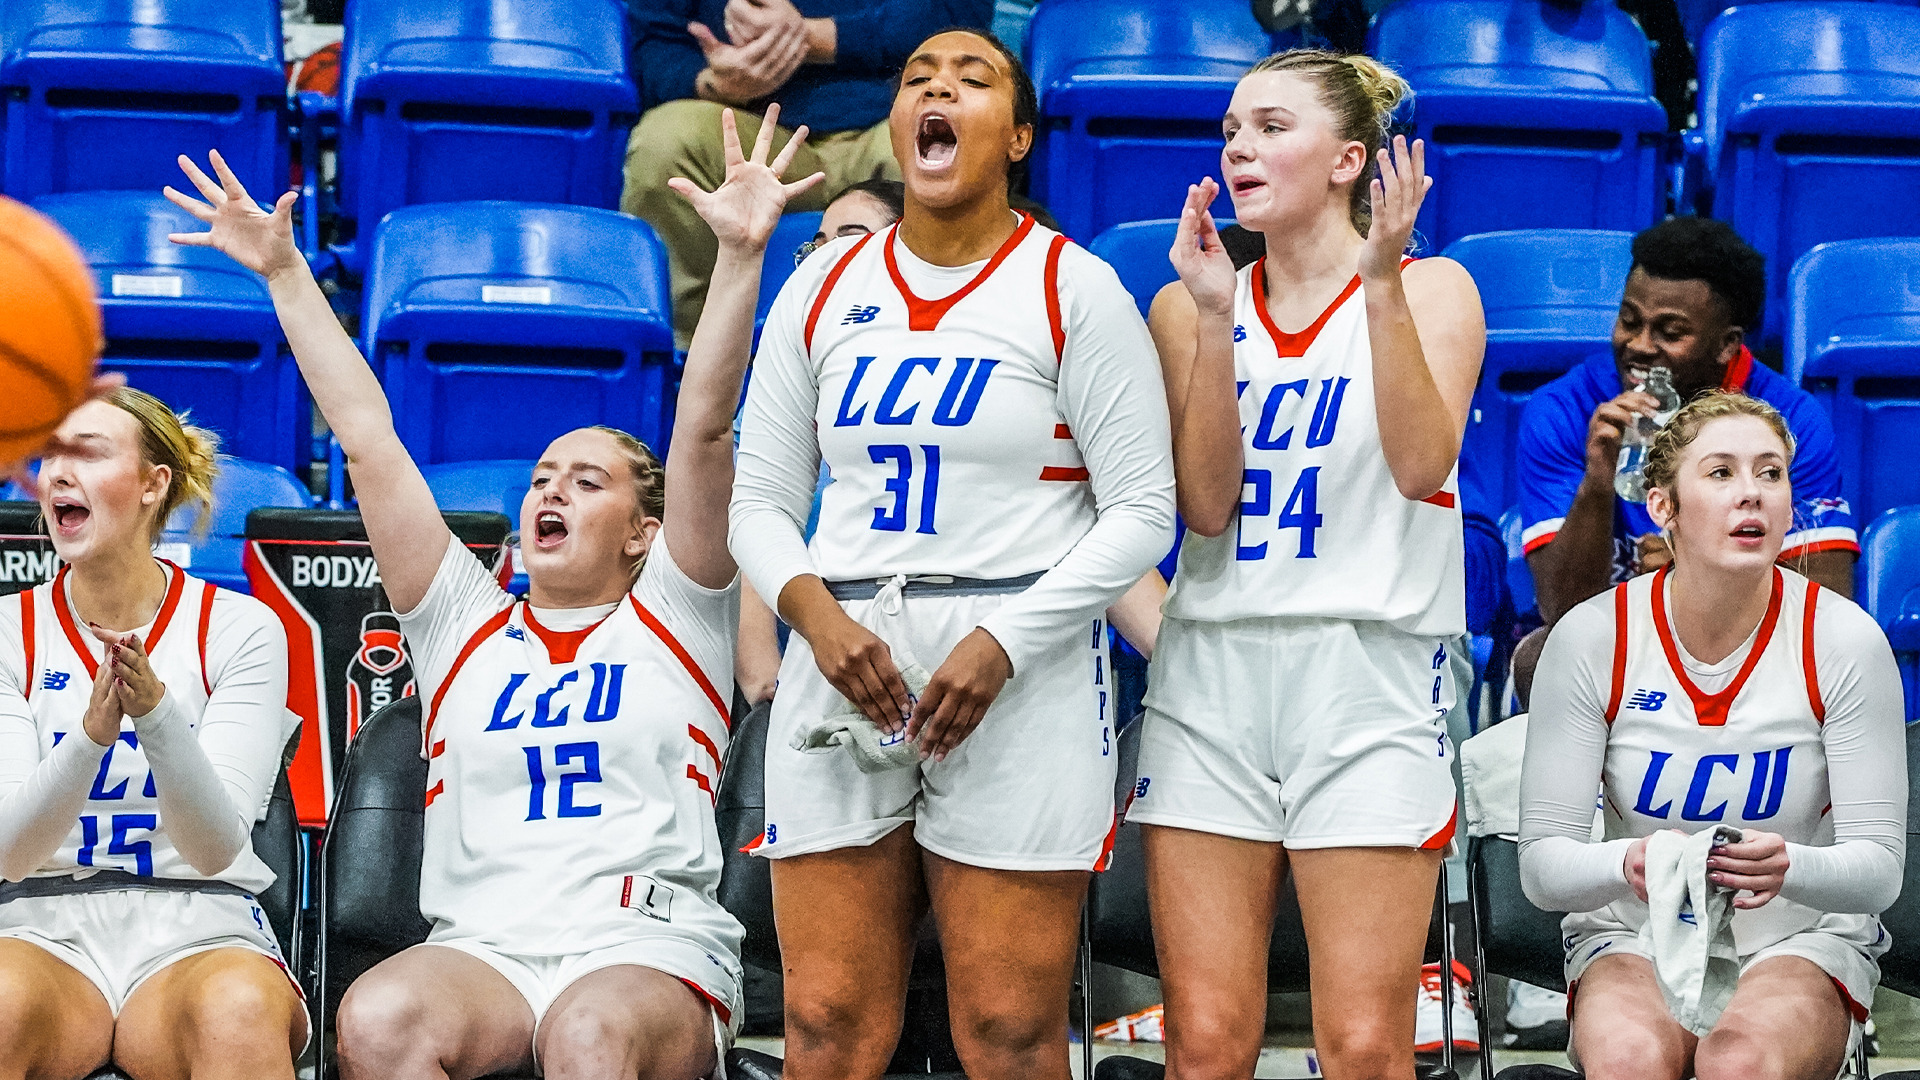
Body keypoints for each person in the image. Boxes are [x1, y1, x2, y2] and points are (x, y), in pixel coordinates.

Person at [165, 104, 818, 1078]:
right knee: (379, 1018)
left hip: (647, 952)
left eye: (587, 481)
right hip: (484, 947)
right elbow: (369, 439)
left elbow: (705, 432)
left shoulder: (682, 612)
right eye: (544, 476)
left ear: (645, 531)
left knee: (590, 1036)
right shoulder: (462, 621)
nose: (551, 488)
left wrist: (736, 258)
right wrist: (287, 274)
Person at [731, 28, 1175, 1080]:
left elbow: (1144, 511)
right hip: (845, 651)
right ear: (897, 126)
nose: (938, 89)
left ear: (1017, 136)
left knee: (1008, 1033)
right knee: (827, 1025)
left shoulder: (1077, 288)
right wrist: (815, 617)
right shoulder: (821, 289)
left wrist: (1005, 643)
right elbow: (759, 497)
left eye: (973, 80)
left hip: (1021, 656)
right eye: (918, 79)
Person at [1127, 48, 1486, 1080]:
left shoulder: (1435, 288)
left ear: (1347, 161)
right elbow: (1204, 505)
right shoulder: (1185, 302)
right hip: (1211, 676)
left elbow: (1424, 466)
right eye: (1233, 128)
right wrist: (1207, 315)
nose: (1240, 145)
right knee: (1203, 1041)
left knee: (1366, 1044)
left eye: (1274, 127)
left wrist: (1379, 284)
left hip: (1368, 670)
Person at [1518, 391, 1905, 1080]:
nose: (1751, 495)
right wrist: (1628, 863)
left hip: (1801, 932)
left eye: (1770, 473)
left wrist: (1793, 866)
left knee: (1739, 1063)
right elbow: (1544, 868)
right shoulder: (1591, 638)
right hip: (1632, 932)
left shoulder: (1843, 640)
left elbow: (1879, 870)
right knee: (1632, 1060)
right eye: (1721, 473)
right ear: (1662, 506)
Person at [737, 178, 1168, 705]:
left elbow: (1134, 546)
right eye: (816, 244)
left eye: (849, 239)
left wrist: (1002, 643)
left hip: (1013, 666)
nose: (827, 262)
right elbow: (747, 502)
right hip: (832, 653)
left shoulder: (1054, 328)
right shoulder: (807, 339)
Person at [0, 388, 304, 1080]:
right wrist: (90, 737)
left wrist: (158, 715)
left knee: (240, 1009)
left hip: (198, 924)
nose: (59, 475)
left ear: (152, 484)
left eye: (89, 453)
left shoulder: (241, 628)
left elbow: (215, 847)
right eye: (50, 456)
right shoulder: (5, 631)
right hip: (35, 924)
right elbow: (10, 852)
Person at [1519, 217, 1857, 630]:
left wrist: (1708, 580)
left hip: (1742, 652)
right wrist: (1598, 480)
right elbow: (1562, 612)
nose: (1639, 346)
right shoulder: (1564, 409)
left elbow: (1828, 606)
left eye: (1670, 332)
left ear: (1727, 344)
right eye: (1628, 320)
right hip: (1608, 644)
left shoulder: (1793, 424)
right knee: (1537, 658)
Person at [625, 0, 993, 347]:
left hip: (891, 116)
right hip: (747, 121)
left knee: (938, 150)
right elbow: (655, 40)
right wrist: (711, 82)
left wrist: (811, 36)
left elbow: (961, 21)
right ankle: (686, 369)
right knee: (665, 143)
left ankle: (934, 351)